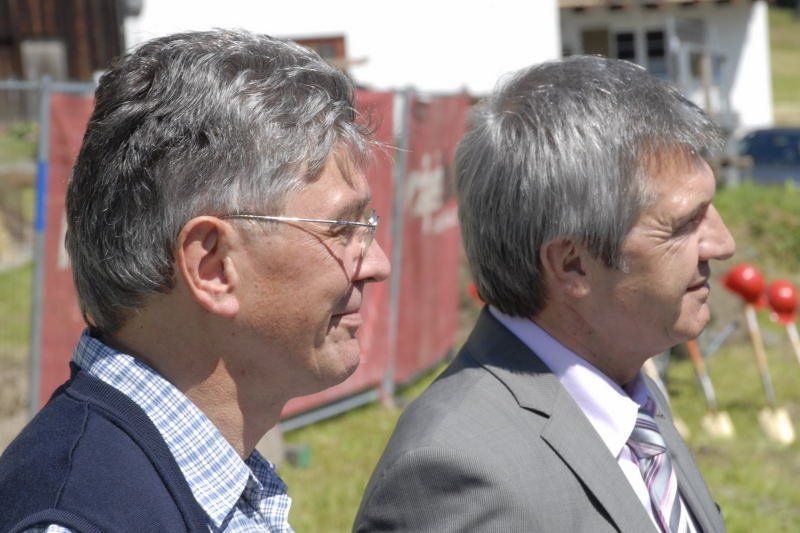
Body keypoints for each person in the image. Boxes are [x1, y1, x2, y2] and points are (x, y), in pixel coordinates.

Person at [0, 29, 390, 532]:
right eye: (342, 228)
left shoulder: (200, 479)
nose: (377, 263)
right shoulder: (80, 520)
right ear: (213, 267)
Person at [355, 56, 734, 532]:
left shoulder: (628, 397)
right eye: (683, 224)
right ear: (572, 264)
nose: (723, 244)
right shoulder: (460, 473)